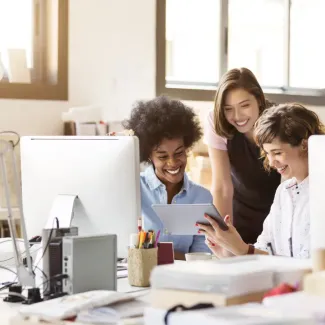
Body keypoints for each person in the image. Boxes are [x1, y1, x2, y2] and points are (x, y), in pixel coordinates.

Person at [197, 103, 324, 258]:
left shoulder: (320, 192)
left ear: (304, 145)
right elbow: (266, 250)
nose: (271, 163)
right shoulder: (284, 192)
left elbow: (310, 263)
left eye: (277, 152)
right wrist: (229, 251)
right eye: (268, 154)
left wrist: (242, 249)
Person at [123, 95, 212, 259]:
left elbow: (202, 256)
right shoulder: (133, 189)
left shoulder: (202, 197)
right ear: (149, 156)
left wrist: (153, 254)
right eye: (163, 156)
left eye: (179, 153)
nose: (173, 163)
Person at [204, 67, 281, 244]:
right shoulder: (216, 122)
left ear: (259, 101)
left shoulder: (279, 121)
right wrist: (222, 236)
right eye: (228, 109)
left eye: (244, 105)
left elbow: (289, 187)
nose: (237, 116)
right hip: (240, 216)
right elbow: (222, 187)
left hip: (277, 214)